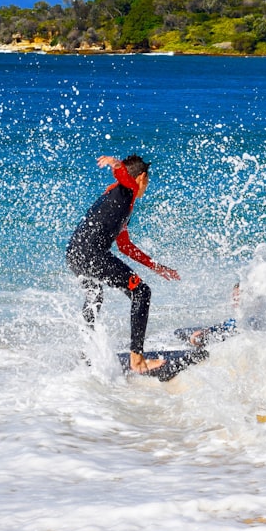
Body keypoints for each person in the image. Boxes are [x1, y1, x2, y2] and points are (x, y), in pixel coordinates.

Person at [66, 154, 180, 373]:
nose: (147, 186)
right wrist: (115, 163)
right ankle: (137, 361)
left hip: (75, 254)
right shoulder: (126, 189)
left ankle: (86, 351)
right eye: (147, 181)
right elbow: (123, 174)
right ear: (142, 177)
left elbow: (125, 246)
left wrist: (157, 267)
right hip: (91, 254)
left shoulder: (120, 202)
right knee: (141, 292)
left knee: (94, 295)